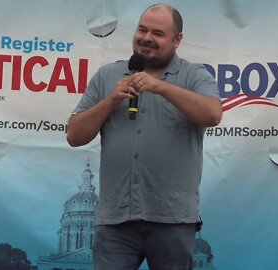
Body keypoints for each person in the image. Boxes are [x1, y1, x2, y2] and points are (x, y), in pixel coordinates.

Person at [66, 3, 222, 270]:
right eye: (142, 29)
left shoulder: (194, 75)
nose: (147, 37)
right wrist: (112, 100)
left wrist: (160, 87)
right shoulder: (108, 76)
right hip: (116, 221)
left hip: (172, 220)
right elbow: (74, 135)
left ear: (177, 40)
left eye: (158, 33)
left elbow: (212, 114)